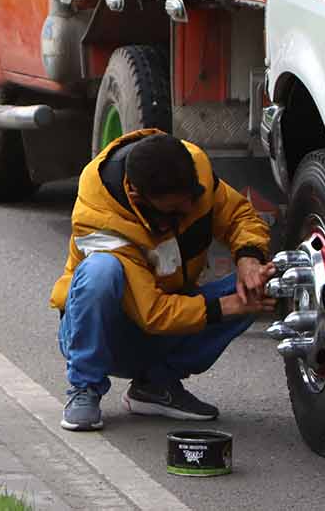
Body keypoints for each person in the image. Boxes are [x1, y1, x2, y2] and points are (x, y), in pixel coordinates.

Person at [50, 130, 275, 431]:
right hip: (109, 333)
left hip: (170, 317)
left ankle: (154, 386)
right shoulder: (98, 213)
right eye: (172, 212)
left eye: (189, 204)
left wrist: (249, 258)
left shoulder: (195, 171)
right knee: (100, 273)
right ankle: (84, 387)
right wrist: (225, 306)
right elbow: (152, 313)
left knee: (267, 285)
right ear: (137, 198)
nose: (184, 216)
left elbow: (238, 216)